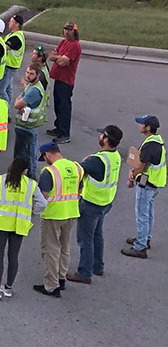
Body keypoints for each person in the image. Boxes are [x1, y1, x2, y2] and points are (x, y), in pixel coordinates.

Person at [0, 156, 47, 299]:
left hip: (1, 223)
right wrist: (31, 212)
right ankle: (8, 288)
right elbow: (43, 203)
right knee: (13, 256)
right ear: (25, 170)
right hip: (19, 225)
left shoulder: (0, 180)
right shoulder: (31, 184)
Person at [69, 125, 122, 283]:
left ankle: (84, 273)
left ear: (106, 139)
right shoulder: (115, 156)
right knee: (97, 235)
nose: (100, 137)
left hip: (91, 203)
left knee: (85, 238)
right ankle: (97, 266)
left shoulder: (98, 160)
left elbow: (77, 169)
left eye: (102, 135)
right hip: (105, 202)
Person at [34, 141, 81, 296]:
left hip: (53, 215)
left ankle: (51, 286)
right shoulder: (76, 167)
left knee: (50, 250)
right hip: (71, 213)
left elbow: (43, 196)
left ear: (48, 155)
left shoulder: (49, 172)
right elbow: (80, 190)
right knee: (64, 247)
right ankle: (61, 278)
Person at [123, 114, 163, 259]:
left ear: (148, 128)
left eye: (142, 124)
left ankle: (140, 247)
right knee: (149, 212)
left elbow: (141, 166)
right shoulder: (157, 140)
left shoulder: (149, 145)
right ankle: (145, 238)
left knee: (142, 214)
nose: (139, 126)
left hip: (146, 183)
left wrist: (132, 176)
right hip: (154, 183)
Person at [46, 21, 81, 144]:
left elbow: (63, 62)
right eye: (65, 29)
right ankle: (58, 127)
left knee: (64, 107)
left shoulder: (75, 46)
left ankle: (65, 134)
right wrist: (58, 57)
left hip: (66, 81)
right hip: (58, 78)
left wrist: (58, 57)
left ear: (74, 32)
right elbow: (51, 56)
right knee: (57, 105)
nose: (67, 31)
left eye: (69, 30)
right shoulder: (63, 42)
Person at [13, 65, 49, 178]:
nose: (28, 75)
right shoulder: (32, 86)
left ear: (38, 75)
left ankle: (22, 177)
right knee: (30, 153)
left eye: (31, 73)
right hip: (29, 126)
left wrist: (19, 101)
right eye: (27, 72)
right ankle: (30, 175)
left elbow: (17, 104)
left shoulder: (34, 90)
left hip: (26, 126)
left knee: (22, 155)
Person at [0, 14, 26, 103]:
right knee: (7, 89)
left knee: (1, 91)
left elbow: (4, 47)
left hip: (9, 66)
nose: (9, 23)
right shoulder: (14, 35)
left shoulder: (16, 38)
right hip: (11, 66)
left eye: (11, 21)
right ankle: (9, 111)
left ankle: (6, 110)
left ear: (17, 24)